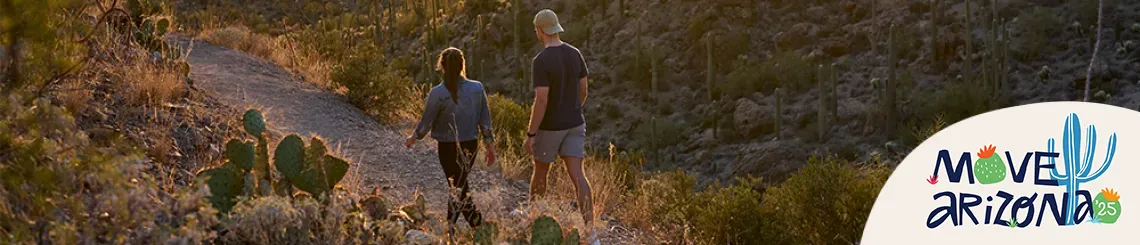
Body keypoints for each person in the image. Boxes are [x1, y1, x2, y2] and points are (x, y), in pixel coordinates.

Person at [524, 9, 598, 244]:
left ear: (540, 30)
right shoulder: (575, 53)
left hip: (551, 126)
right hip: (575, 123)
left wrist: (531, 133)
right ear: (555, 28)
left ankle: (533, 217)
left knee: (541, 171)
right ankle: (591, 234)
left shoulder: (541, 61)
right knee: (578, 175)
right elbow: (584, 90)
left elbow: (542, 100)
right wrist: (573, 108)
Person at [404, 47, 496, 235]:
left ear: (442, 67)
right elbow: (485, 121)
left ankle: (456, 229)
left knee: (457, 186)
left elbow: (426, 122)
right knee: (459, 185)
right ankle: (475, 228)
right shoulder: (477, 88)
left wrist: (413, 138)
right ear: (462, 65)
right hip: (470, 145)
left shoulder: (437, 92)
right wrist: (490, 146)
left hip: (446, 148)